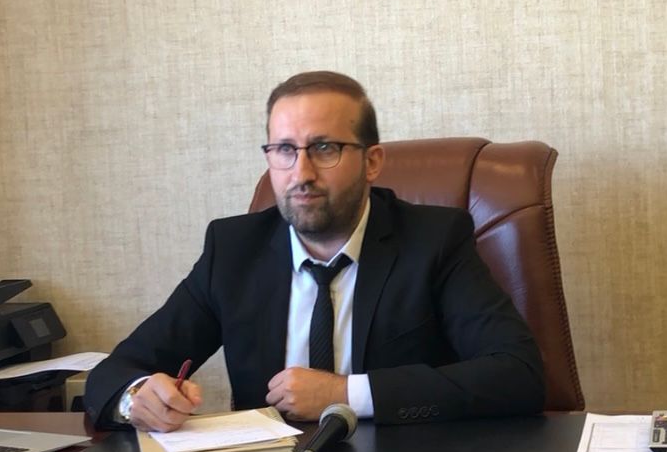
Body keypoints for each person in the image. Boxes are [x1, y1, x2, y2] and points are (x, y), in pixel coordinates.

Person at [84, 71, 545, 432]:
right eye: (284, 149)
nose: (301, 172)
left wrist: (345, 394)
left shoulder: (433, 240)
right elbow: (114, 372)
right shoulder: (233, 251)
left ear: (372, 162)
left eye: (324, 148)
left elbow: (518, 375)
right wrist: (136, 397)